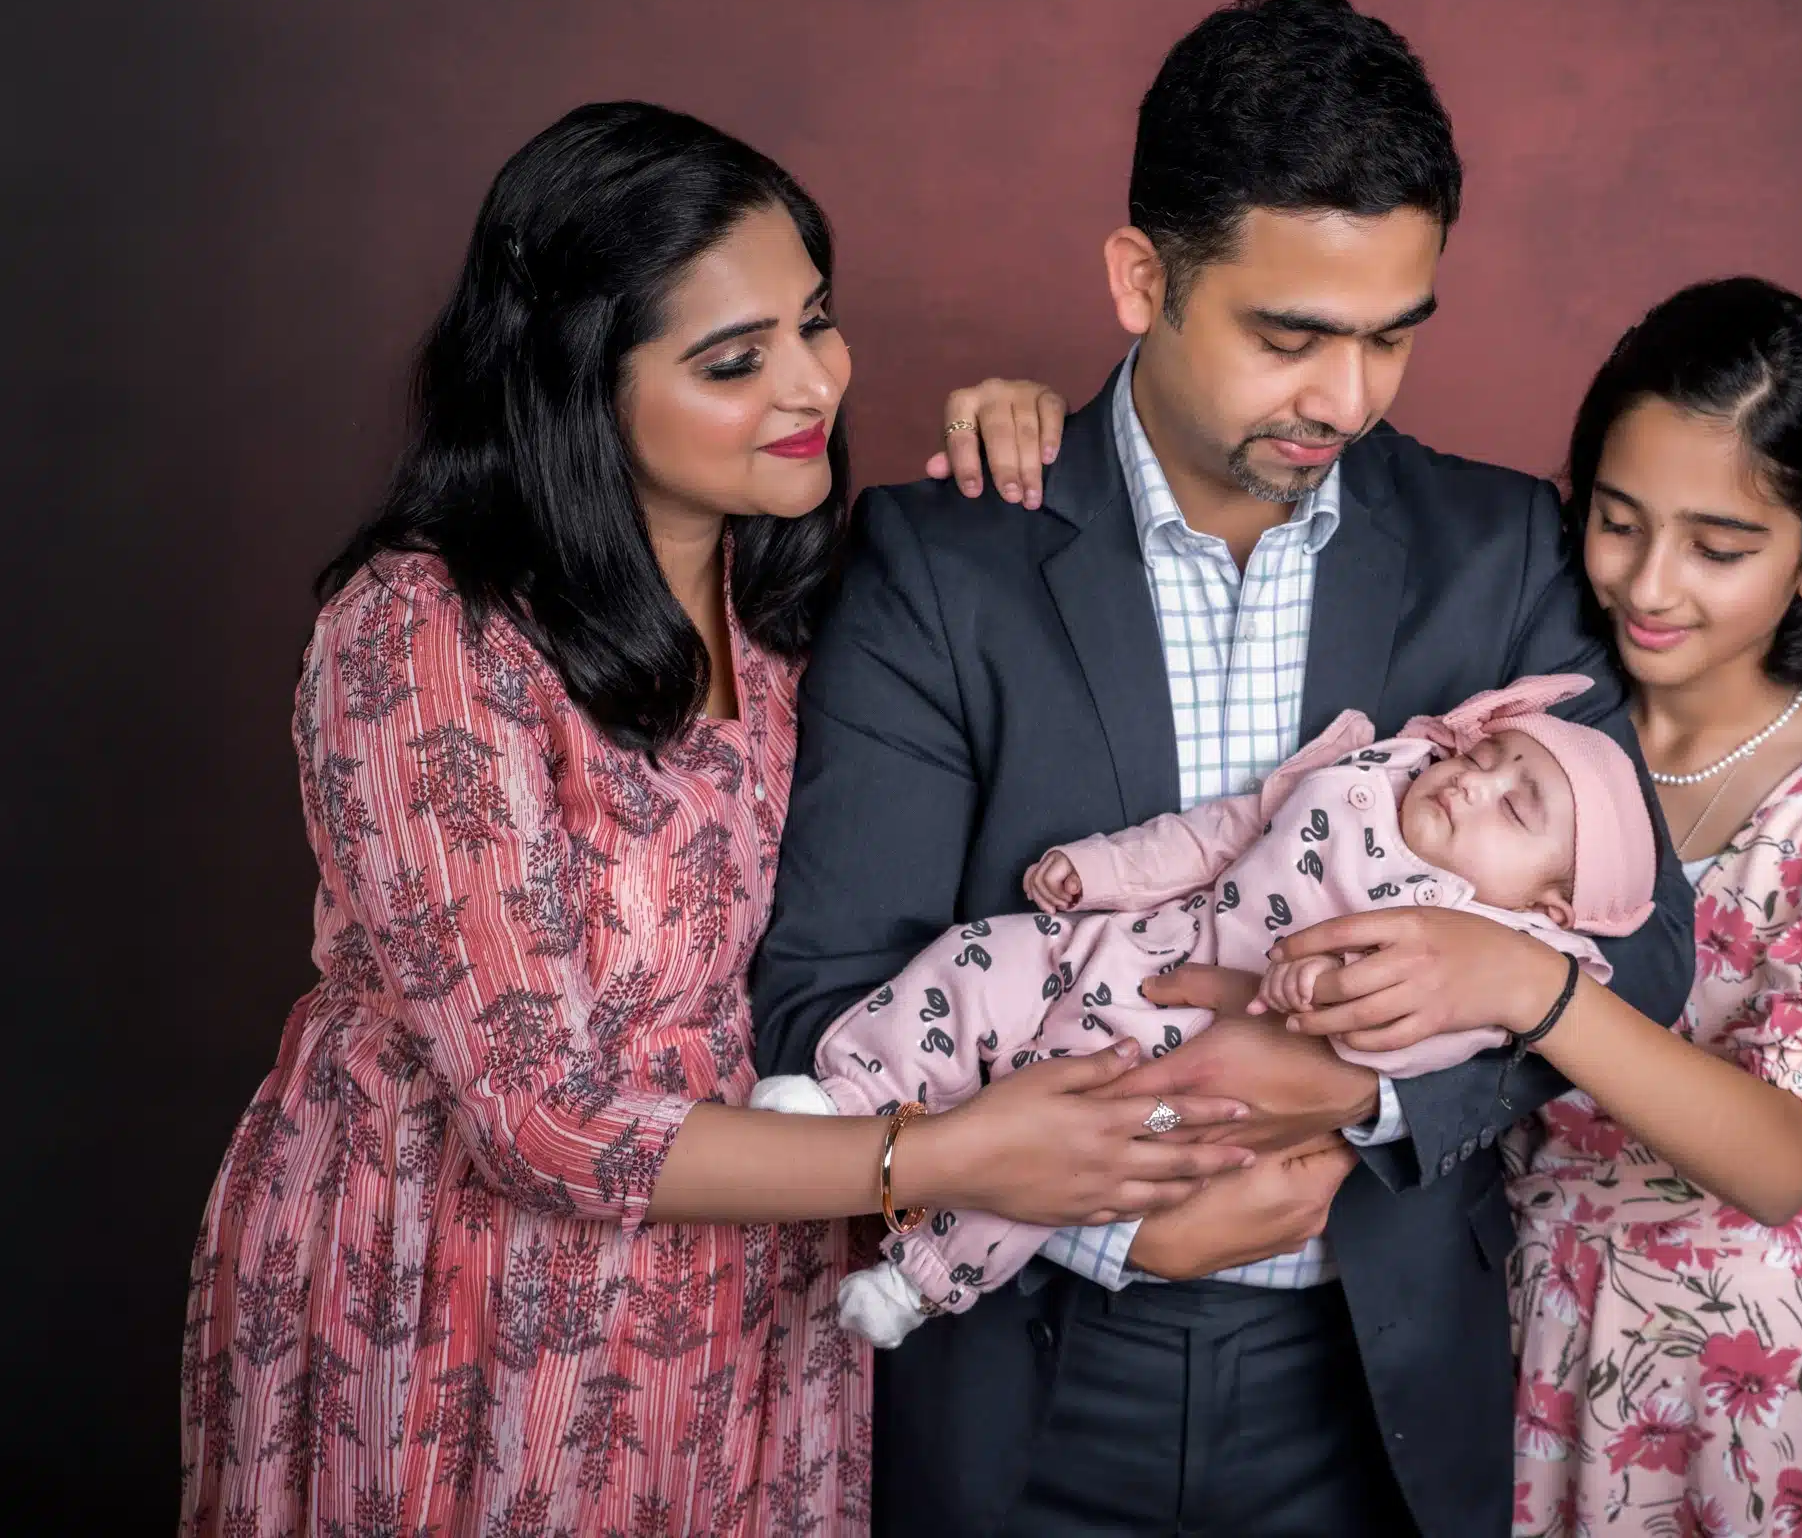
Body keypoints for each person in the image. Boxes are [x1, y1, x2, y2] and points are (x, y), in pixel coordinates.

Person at [175, 102, 1251, 1538]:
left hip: (753, 1313)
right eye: (735, 360)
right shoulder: (430, 632)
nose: (813, 381)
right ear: (575, 384)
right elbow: (536, 1115)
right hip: (460, 1305)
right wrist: (943, 1158)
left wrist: (1036, 441)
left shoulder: (806, 606)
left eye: (818, 320)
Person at [749, 0, 1696, 1538]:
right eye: (1291, 335)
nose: (1349, 399)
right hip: (1022, 1373)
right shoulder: (946, 562)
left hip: (1370, 1388)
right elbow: (822, 1000)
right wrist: (1127, 1213)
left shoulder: (1503, 554)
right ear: (1142, 277)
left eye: (1394, 336)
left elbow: (1643, 944)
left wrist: (1358, 1106)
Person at [951, 276, 1802, 1534]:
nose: (1650, 587)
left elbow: (1785, 1162)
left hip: (1759, 1394)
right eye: (1616, 521)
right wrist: (1052, 431)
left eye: (1719, 548)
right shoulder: (1508, 718)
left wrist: (1521, 982)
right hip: (1518, 1358)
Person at [752, 673, 1658, 1348]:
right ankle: (856, 1091)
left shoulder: (1487, 950)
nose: (1473, 784)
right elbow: (1225, 832)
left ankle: (922, 1280)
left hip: (1186, 1067)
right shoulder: (1368, 776)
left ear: (1548, 907)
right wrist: (1103, 869)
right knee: (976, 957)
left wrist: (1324, 1006)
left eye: (1515, 808)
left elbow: (1417, 1047)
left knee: (1062, 1151)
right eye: (1486, 758)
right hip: (1137, 943)